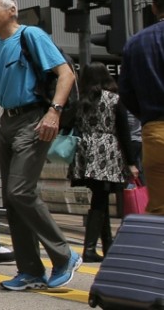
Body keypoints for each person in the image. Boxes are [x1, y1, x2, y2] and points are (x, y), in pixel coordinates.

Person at [0, 0, 80, 292]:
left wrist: (53, 113)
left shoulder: (31, 36)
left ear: (12, 10)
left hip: (34, 118)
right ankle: (30, 270)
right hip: (7, 123)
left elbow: (66, 74)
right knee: (13, 200)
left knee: (19, 190)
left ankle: (64, 255)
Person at [68, 63, 138, 261]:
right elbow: (124, 132)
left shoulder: (80, 101)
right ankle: (90, 248)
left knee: (101, 197)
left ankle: (108, 245)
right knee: (101, 198)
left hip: (84, 150)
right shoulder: (114, 100)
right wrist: (131, 162)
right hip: (107, 150)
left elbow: (68, 122)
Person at [119, 0, 164, 215]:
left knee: (159, 208)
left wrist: (147, 116)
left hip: (155, 132)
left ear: (154, 7)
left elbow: (125, 92)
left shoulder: (135, 43)